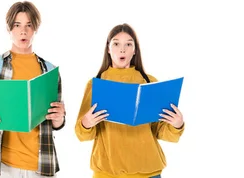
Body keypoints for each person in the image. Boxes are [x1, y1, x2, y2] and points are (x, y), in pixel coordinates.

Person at [75, 23, 185, 178]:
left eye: (128, 44)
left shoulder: (150, 82)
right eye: (116, 43)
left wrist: (177, 124)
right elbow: (82, 135)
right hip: (107, 173)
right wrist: (86, 123)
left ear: (134, 50)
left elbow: (162, 132)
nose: (122, 49)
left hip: (148, 172)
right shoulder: (96, 84)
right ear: (108, 49)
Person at [0, 1, 65, 178]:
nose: (23, 31)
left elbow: (57, 121)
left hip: (40, 163)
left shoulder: (50, 71)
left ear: (35, 29)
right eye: (17, 25)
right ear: (9, 28)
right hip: (2, 163)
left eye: (29, 25)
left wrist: (59, 118)